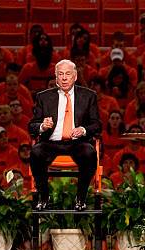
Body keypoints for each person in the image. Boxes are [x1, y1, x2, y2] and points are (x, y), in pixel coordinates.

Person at [28, 59, 102, 211]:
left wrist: (83, 130)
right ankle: (44, 196)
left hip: (77, 143)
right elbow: (32, 126)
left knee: (90, 153)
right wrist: (42, 126)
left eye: (68, 74)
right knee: (35, 152)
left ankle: (80, 198)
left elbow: (97, 124)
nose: (64, 78)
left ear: (75, 76)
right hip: (51, 142)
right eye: (60, 74)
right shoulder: (43, 97)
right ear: (56, 78)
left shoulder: (88, 96)